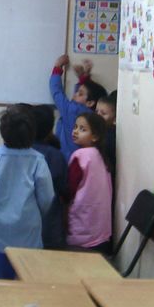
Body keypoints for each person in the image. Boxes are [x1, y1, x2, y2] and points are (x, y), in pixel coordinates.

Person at [0, 105, 54, 280]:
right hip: (29, 229)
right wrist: (40, 214)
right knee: (29, 278)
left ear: (3, 132)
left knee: (1, 277)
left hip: (0, 230)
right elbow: (47, 197)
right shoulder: (38, 160)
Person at [67, 111, 113, 254]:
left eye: (83, 129)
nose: (76, 131)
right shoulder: (100, 155)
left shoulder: (80, 155)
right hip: (100, 227)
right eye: (75, 127)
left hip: (82, 224)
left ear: (95, 137)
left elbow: (70, 189)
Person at [49, 54, 106, 161]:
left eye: (80, 93)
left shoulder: (72, 110)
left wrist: (57, 67)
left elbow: (57, 92)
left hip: (67, 160)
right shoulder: (92, 116)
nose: (75, 94)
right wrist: (83, 79)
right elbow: (80, 99)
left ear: (90, 103)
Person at [29, 104, 68, 249]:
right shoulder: (55, 155)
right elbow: (64, 189)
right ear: (50, 129)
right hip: (49, 226)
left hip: (23, 223)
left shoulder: (20, 152)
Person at [96, 90, 117, 184]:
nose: (98, 115)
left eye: (103, 113)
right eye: (96, 111)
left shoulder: (109, 137)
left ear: (115, 119)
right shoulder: (99, 132)